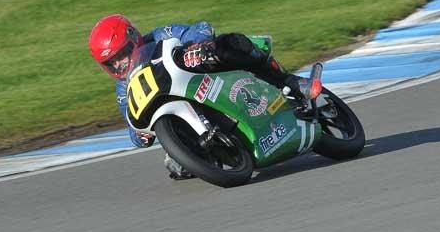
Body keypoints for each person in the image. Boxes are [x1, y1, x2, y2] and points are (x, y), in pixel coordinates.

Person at [88, 14, 304, 180]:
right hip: (182, 110)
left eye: (121, 55)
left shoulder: (159, 35)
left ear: (133, 38)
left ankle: (288, 81)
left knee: (228, 44)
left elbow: (200, 28)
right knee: (177, 166)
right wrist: (140, 135)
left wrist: (197, 45)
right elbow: (132, 126)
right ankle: (216, 152)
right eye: (111, 62)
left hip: (203, 79)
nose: (119, 64)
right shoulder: (122, 89)